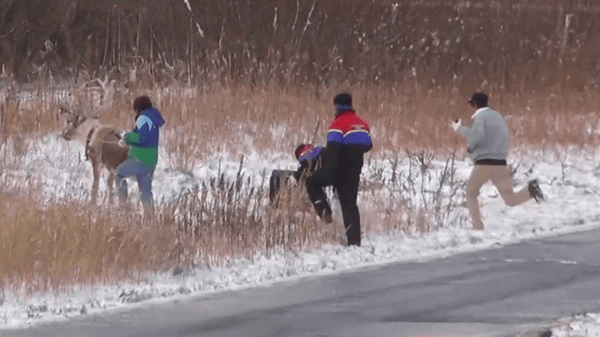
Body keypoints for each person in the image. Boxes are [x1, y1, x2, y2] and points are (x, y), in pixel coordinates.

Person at [451, 92, 544, 230]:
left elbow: (476, 136)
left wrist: (460, 128)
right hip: (500, 164)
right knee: (510, 199)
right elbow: (497, 139)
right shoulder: (498, 117)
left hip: (484, 164)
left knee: (471, 193)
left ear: (475, 104)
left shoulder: (481, 117)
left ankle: (477, 227)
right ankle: (530, 191)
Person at [306, 93, 372, 246]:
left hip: (336, 169)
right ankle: (354, 243)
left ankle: (326, 214)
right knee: (349, 205)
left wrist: (326, 171)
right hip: (355, 170)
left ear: (337, 106)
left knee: (312, 182)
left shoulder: (336, 125)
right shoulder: (363, 124)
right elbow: (368, 146)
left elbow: (333, 150)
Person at [116, 96, 165, 211]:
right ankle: (150, 219)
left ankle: (123, 206)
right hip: (151, 160)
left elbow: (142, 138)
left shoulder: (143, 118)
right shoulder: (153, 117)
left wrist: (127, 137)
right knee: (145, 192)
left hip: (140, 159)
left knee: (119, 173)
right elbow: (148, 137)